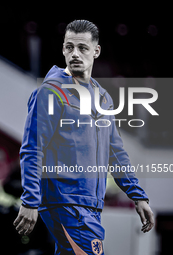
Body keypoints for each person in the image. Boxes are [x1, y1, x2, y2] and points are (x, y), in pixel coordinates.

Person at [13, 20, 155, 255]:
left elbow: (115, 152)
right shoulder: (51, 92)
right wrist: (30, 200)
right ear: (63, 49)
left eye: (82, 48)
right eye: (69, 47)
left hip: (89, 205)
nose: (75, 54)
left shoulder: (103, 98)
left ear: (96, 51)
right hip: (67, 203)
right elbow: (32, 149)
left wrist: (138, 196)